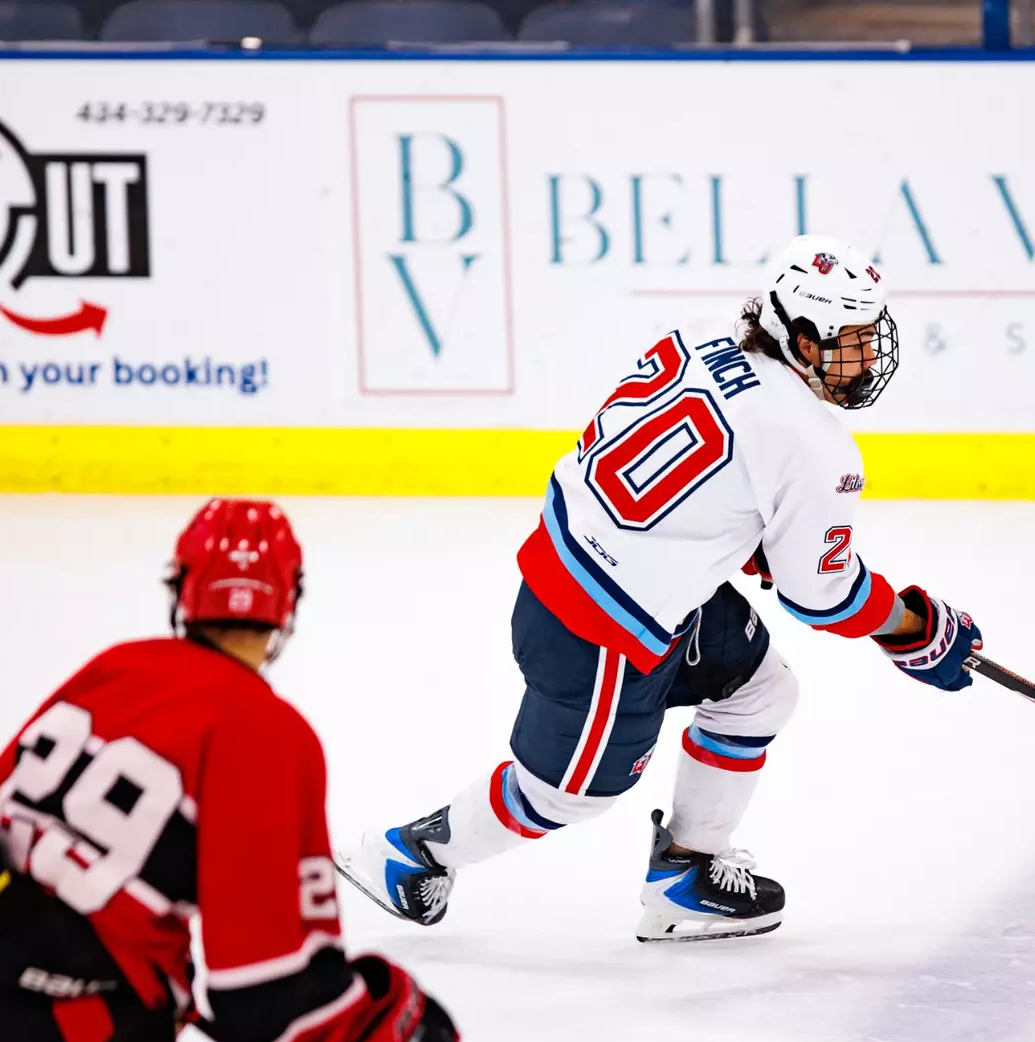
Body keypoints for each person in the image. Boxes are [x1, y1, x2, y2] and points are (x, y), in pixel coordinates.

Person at [336, 233, 984, 943]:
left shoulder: (701, 337)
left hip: (606, 571)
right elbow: (822, 597)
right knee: (568, 797)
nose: (869, 357)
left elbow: (700, 476)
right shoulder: (816, 447)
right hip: (601, 630)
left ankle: (684, 876)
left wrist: (757, 542)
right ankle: (409, 854)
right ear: (802, 339)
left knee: (761, 692)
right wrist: (914, 627)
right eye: (852, 341)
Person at [0, 499, 459, 1042]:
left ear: (182, 590)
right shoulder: (270, 734)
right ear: (288, 604)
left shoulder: (115, 666)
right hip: (84, 1032)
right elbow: (266, 998)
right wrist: (386, 1015)